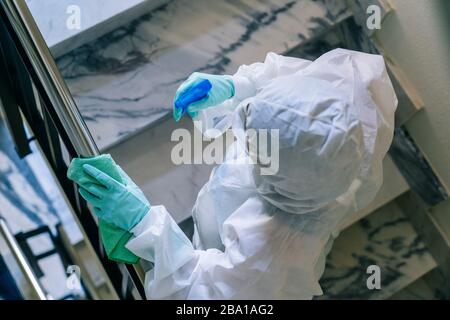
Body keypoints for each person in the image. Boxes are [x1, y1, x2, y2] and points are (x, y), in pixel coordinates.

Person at [69, 48, 397, 299]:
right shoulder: (349, 91)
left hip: (235, 249)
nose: (241, 128)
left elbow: (200, 293)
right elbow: (290, 83)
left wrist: (145, 227)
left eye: (254, 145)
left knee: (210, 242)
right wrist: (236, 87)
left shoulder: (274, 249)